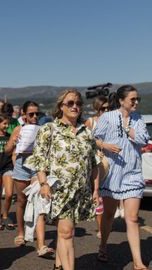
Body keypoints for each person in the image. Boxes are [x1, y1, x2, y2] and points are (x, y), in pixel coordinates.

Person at [24, 89, 98, 270]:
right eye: (70, 103)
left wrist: (95, 189)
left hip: (81, 191)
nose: (75, 106)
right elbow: (40, 160)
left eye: (78, 103)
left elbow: (94, 163)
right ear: (61, 106)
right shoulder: (49, 129)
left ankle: (58, 266)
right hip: (58, 190)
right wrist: (43, 184)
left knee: (65, 233)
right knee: (66, 233)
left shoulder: (86, 132)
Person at [94, 85, 150, 270]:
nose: (136, 102)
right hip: (112, 174)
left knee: (132, 218)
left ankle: (137, 262)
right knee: (108, 215)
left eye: (137, 99)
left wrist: (128, 130)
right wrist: (106, 146)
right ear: (121, 100)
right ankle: (103, 245)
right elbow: (93, 139)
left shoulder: (138, 118)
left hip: (133, 173)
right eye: (132, 99)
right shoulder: (107, 117)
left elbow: (143, 139)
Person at [4, 101, 53, 256]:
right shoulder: (18, 129)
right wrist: (13, 141)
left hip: (37, 169)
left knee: (38, 201)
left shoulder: (43, 129)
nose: (34, 117)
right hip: (21, 166)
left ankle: (41, 245)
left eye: (37, 114)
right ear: (23, 115)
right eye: (31, 114)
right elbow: (6, 151)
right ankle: (21, 232)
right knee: (21, 201)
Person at [84, 96, 109, 239]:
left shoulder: (111, 122)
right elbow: (84, 140)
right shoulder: (91, 122)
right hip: (96, 162)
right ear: (96, 108)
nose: (105, 111)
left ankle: (104, 223)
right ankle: (100, 228)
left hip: (111, 161)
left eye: (107, 108)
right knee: (98, 195)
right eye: (102, 108)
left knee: (106, 196)